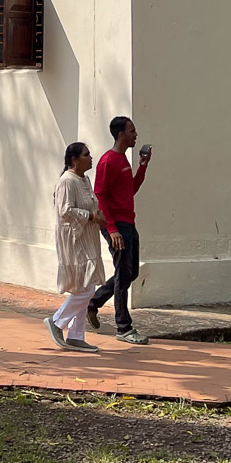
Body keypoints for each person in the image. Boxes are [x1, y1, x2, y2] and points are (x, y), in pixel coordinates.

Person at [89, 115, 151, 344]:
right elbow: (101, 196)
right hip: (116, 225)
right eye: (132, 131)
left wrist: (143, 167)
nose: (136, 135)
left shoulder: (123, 160)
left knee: (131, 272)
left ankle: (94, 303)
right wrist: (112, 230)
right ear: (121, 134)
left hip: (128, 223)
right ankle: (124, 327)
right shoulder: (108, 161)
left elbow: (130, 190)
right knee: (123, 275)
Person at [45, 142, 104, 353]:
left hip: (87, 238)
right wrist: (89, 216)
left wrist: (97, 216)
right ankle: (57, 321)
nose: (91, 158)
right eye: (87, 155)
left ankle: (76, 335)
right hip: (73, 239)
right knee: (86, 286)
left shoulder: (84, 179)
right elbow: (64, 211)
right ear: (74, 160)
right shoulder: (66, 182)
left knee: (85, 286)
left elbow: (90, 204)